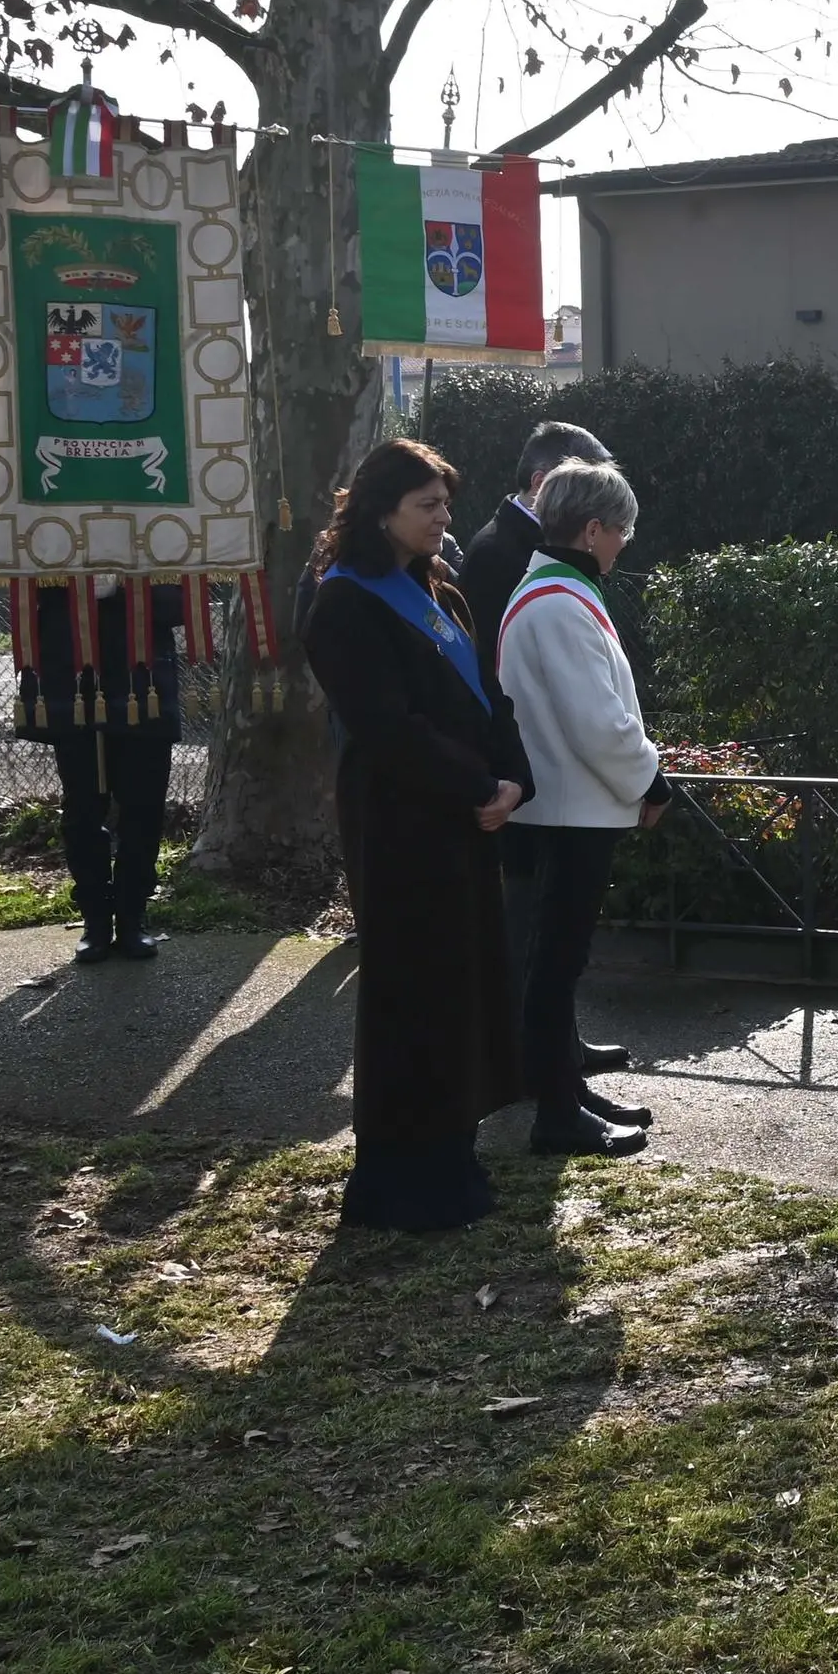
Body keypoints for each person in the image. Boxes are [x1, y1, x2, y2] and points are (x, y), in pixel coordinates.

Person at [304, 438, 532, 1227]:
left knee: (463, 980)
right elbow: (387, 727)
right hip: (400, 819)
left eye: (445, 502)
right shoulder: (343, 602)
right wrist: (480, 783)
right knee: (414, 986)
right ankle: (404, 1176)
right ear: (380, 510)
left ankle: (454, 1150)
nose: (444, 517)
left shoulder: (439, 588)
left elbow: (486, 695)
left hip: (463, 815)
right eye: (427, 505)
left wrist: (513, 777)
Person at [496, 458, 672, 1155]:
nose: (625, 541)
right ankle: (557, 1113)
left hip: (569, 804)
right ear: (593, 528)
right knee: (555, 964)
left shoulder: (551, 589)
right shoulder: (560, 601)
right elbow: (599, 721)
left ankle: (564, 1089)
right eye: (621, 529)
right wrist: (652, 781)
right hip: (571, 809)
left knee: (557, 963)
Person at [23, 568, 185, 964]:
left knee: (143, 808)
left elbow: (179, 605)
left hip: (143, 682)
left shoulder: (159, 534)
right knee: (82, 809)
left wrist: (126, 586)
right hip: (73, 682)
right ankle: (95, 919)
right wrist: (68, 586)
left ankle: (133, 916)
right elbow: (25, 603)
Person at [459, 419, 613, 679]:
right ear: (541, 484)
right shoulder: (494, 555)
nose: (600, 502)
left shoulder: (557, 543)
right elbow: (495, 666)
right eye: (586, 487)